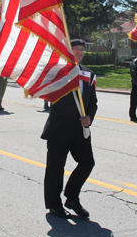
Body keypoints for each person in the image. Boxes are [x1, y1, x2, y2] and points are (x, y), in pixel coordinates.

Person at [41, 38, 97, 219]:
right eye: (76, 49)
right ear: (68, 51)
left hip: (80, 130)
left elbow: (93, 102)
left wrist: (89, 117)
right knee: (55, 168)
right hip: (59, 128)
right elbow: (47, 92)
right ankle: (54, 204)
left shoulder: (89, 74)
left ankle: (72, 198)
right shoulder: (57, 72)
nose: (80, 52)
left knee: (88, 162)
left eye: (82, 49)